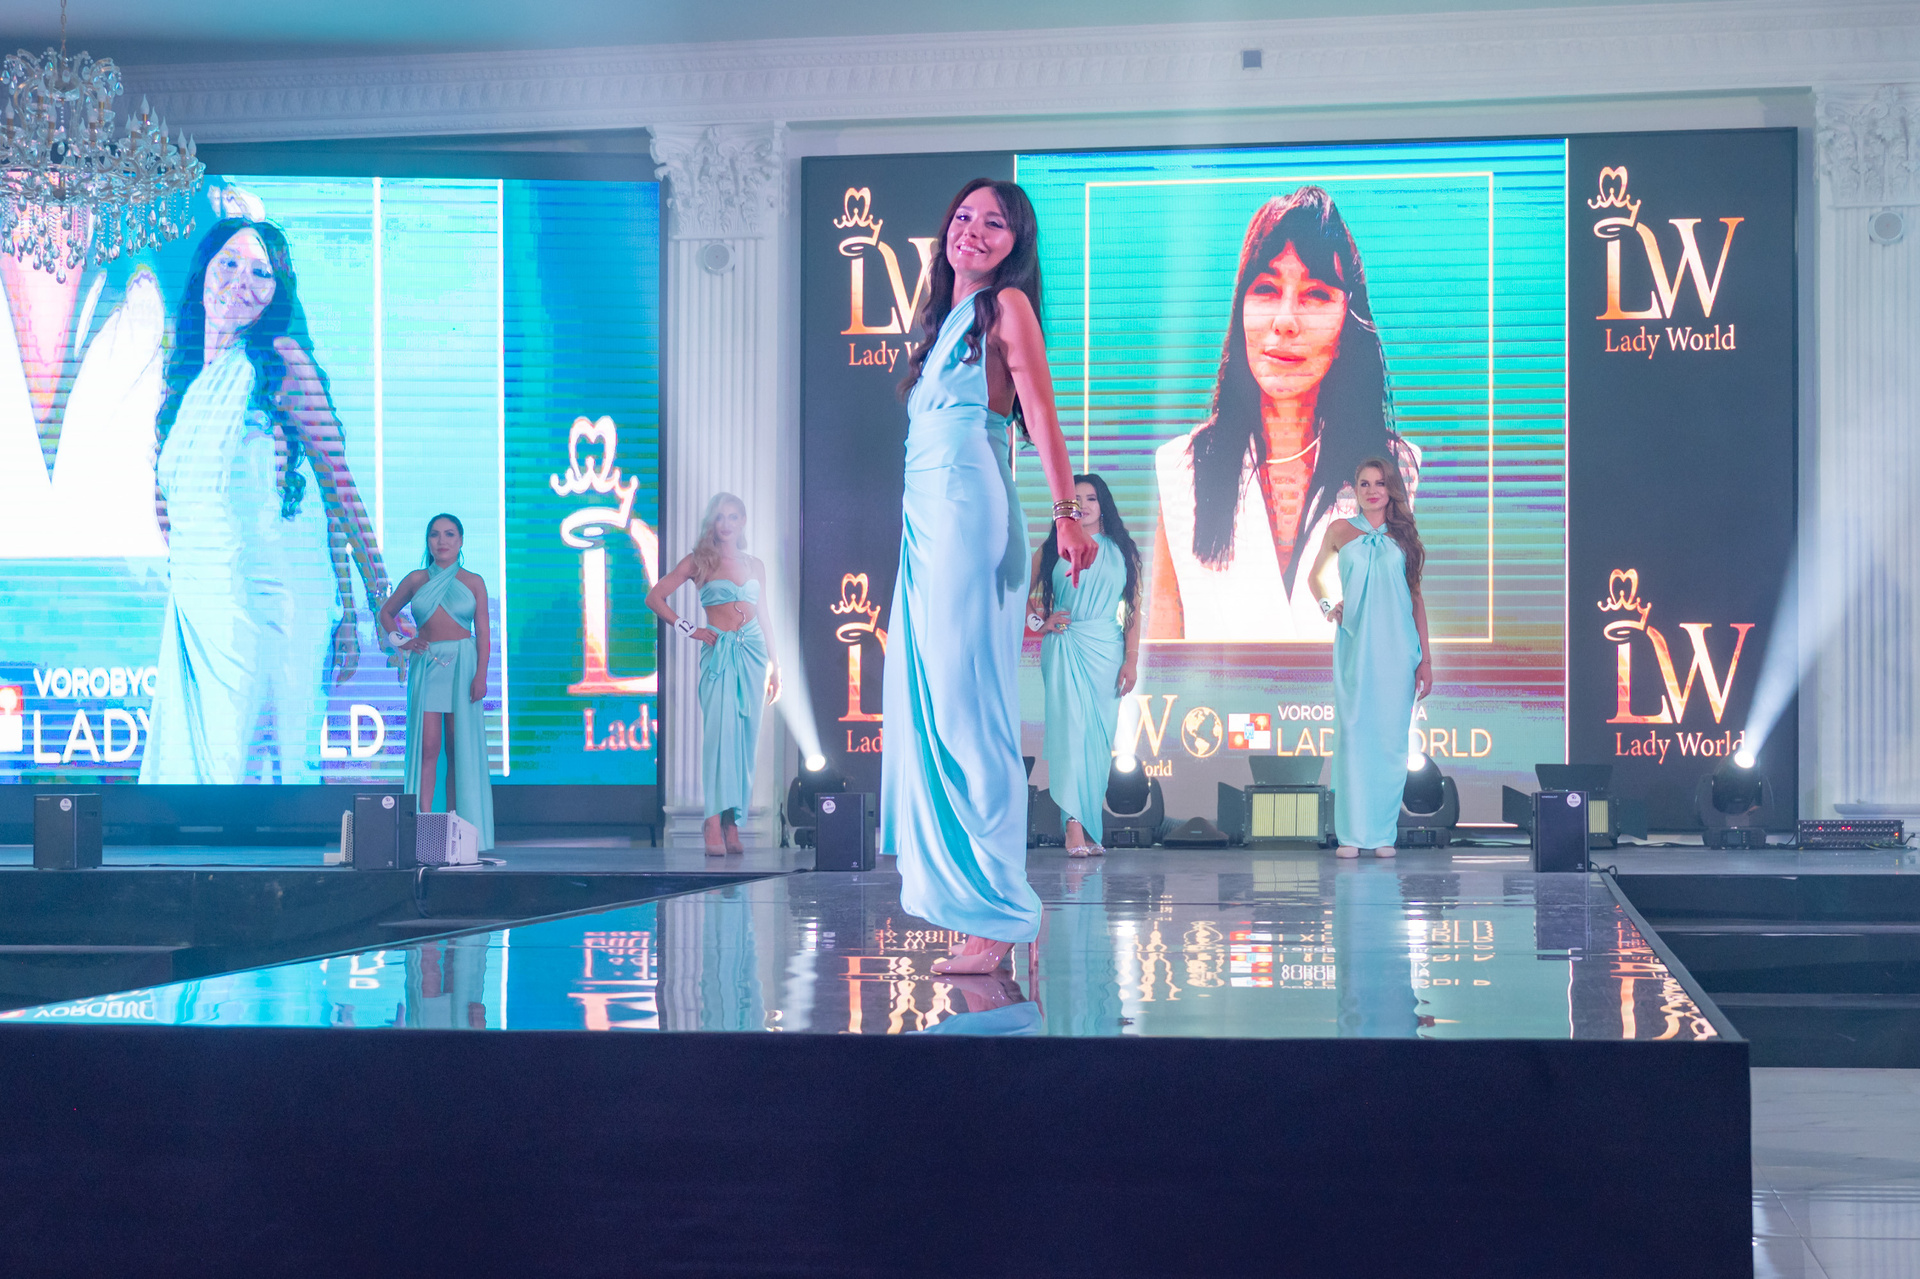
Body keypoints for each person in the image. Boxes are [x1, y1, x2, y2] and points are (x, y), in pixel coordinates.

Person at [884, 177, 1096, 977]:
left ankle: (1003, 912)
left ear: (1016, 243)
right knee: (937, 709)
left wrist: (1068, 514)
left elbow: (1040, 413)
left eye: (994, 223)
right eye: (964, 217)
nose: (973, 230)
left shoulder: (1008, 306)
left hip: (970, 513)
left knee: (971, 713)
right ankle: (978, 905)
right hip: (927, 521)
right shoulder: (946, 321)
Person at [141, 218, 393, 784]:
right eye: (229, 263)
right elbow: (172, 516)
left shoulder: (280, 360)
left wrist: (371, 601)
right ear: (203, 272)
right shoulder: (180, 385)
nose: (241, 281)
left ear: (277, 290)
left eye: (261, 272)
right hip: (195, 613)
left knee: (252, 776)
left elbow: (337, 486)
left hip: (266, 613)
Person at [1151, 186, 1420, 641]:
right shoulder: (1182, 466)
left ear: (1347, 321)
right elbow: (1163, 632)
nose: (1286, 321)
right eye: (1267, 289)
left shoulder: (1396, 467)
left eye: (1315, 293)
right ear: (1240, 310)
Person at [1309, 458, 1433, 859]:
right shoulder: (1339, 530)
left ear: (1390, 488)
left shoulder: (1404, 536)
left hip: (1398, 651)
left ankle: (1381, 835)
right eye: (1364, 483)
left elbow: (1416, 600)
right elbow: (1315, 577)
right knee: (1353, 738)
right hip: (1355, 648)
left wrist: (1425, 660)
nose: (1372, 490)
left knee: (1390, 743)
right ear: (1355, 489)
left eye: (1379, 483)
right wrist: (1329, 606)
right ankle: (1351, 835)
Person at [645, 493, 780, 856]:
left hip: (754, 654)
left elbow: (765, 616)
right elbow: (655, 597)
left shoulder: (755, 565)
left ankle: (732, 823)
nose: (726, 524)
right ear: (711, 522)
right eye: (720, 517)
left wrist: (776, 666)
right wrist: (690, 629)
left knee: (744, 742)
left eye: (733, 517)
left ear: (743, 521)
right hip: (718, 654)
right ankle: (712, 821)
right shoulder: (698, 562)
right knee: (719, 738)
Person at [1029, 472, 1141, 857]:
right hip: (1065, 647)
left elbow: (1133, 609)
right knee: (1071, 736)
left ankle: (1089, 824)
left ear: (1102, 503)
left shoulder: (1123, 550)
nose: (1084, 506)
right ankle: (1073, 826)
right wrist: (1039, 624)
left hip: (1107, 652)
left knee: (1097, 743)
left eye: (1091, 498)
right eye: (1075, 499)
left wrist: (1131, 660)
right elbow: (1019, 593)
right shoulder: (1051, 548)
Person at [378, 514, 495, 851]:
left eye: (449, 534)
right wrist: (402, 641)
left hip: (463, 664)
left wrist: (481, 675)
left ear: (461, 541)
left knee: (458, 749)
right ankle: (423, 828)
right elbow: (386, 613)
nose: (441, 541)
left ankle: (458, 830)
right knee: (428, 747)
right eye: (435, 535)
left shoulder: (474, 581)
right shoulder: (416, 579)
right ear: (428, 541)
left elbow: (483, 632)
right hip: (428, 664)